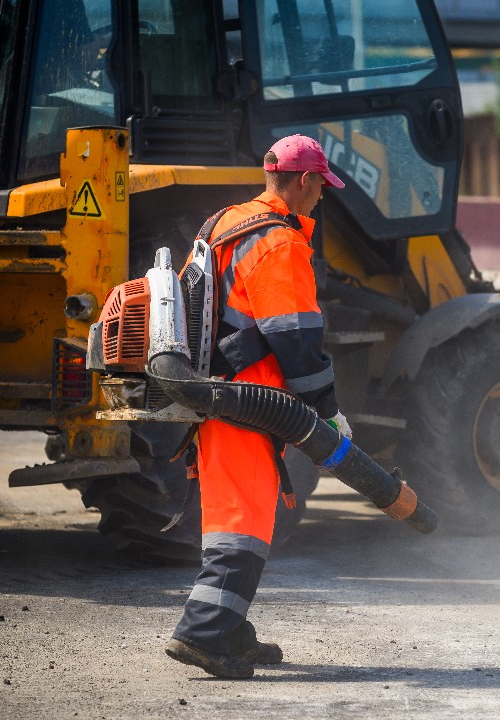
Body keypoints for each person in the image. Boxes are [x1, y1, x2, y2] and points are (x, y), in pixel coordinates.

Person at [164, 135, 351, 679]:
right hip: (251, 402)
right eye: (321, 185)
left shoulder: (223, 222)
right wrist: (328, 412)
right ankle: (203, 634)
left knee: (233, 518)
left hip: (216, 395)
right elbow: (296, 338)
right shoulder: (279, 242)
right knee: (243, 523)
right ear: (303, 180)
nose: (322, 195)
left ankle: (230, 629)